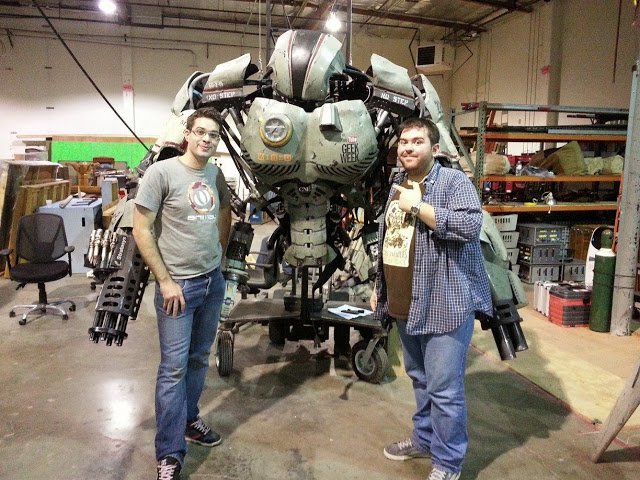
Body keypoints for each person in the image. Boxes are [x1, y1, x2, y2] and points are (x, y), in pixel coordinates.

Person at [370, 117, 492, 480]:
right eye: (404, 142)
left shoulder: (453, 182)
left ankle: (448, 463)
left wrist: (417, 207)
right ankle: (424, 440)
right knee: (420, 379)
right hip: (405, 302)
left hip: (444, 303)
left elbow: (470, 226)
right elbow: (390, 239)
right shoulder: (398, 182)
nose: (408, 147)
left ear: (434, 148)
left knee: (445, 390)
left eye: (417, 141)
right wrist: (380, 286)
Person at [133, 107, 232, 480]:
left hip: (211, 282)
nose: (207, 139)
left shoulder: (214, 174)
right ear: (187, 134)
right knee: (173, 369)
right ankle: (170, 454)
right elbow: (141, 229)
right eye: (201, 132)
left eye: (213, 135)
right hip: (178, 287)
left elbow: (225, 211)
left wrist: (220, 256)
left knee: (199, 359)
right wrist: (165, 280)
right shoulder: (162, 173)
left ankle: (190, 420)